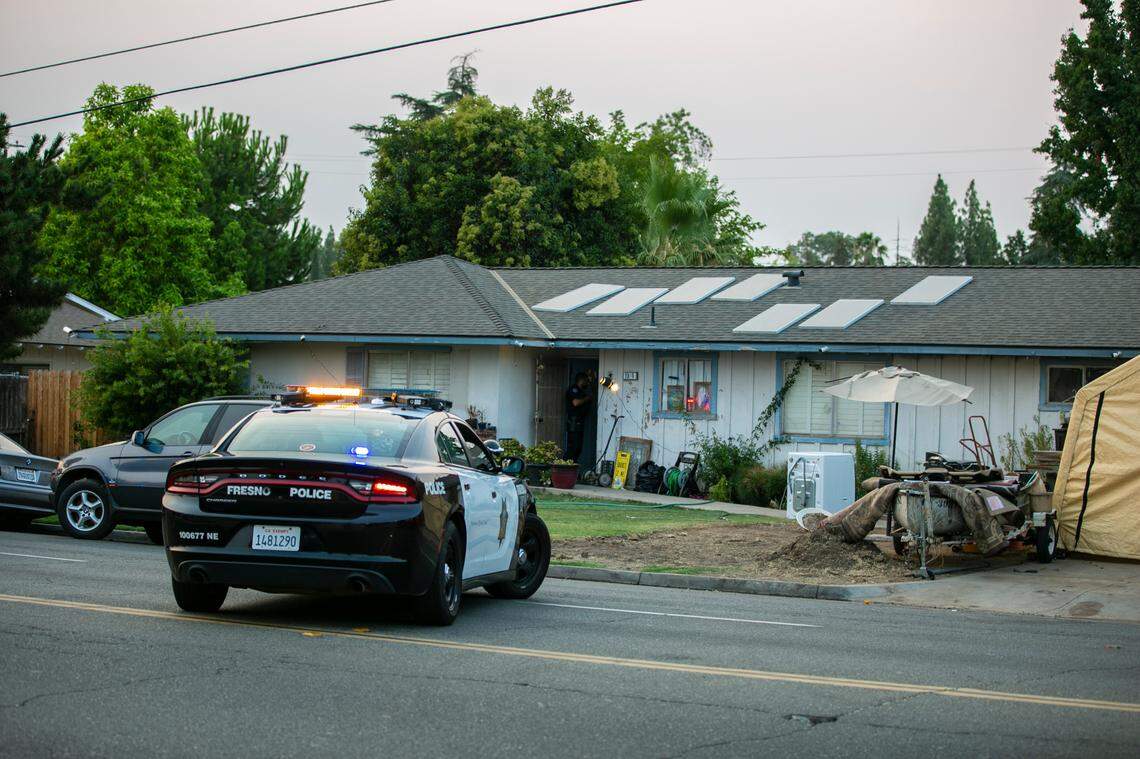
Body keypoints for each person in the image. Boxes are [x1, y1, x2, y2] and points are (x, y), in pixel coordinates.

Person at [564, 371, 595, 464]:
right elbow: (576, 402)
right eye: (586, 381)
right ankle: (566, 466)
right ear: (581, 380)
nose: (587, 383)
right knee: (573, 448)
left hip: (580, 423)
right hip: (574, 423)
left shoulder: (581, 392)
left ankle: (573, 467)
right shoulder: (573, 389)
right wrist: (587, 399)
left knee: (578, 448)